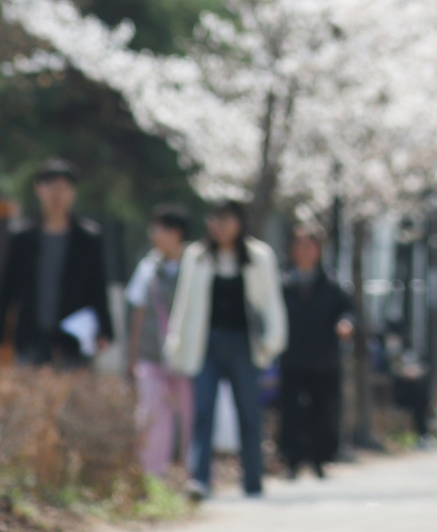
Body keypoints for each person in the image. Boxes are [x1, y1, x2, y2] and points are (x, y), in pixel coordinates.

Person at [165, 199, 288, 500]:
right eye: (214, 219)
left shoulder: (258, 256)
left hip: (244, 345)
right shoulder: (197, 255)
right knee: (202, 412)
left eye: (226, 220)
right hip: (205, 345)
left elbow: (270, 301)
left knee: (249, 412)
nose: (219, 226)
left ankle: (253, 479)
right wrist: (176, 344)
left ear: (239, 222)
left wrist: (274, 338)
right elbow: (184, 303)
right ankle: (200, 480)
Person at [0, 158, 113, 367]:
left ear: (74, 192)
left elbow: (98, 288)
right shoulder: (22, 237)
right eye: (52, 187)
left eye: (64, 188)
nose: (58, 195)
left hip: (73, 337)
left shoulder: (88, 238)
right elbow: (5, 289)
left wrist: (105, 330)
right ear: (39, 189)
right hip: (30, 335)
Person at [280, 223, 354, 477]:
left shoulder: (332, 285)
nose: (304, 250)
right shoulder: (283, 283)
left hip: (324, 359)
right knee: (291, 410)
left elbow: (347, 311)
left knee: (323, 411)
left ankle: (320, 459)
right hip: (291, 357)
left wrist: (345, 324)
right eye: (299, 244)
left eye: (310, 244)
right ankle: (291, 459)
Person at [127, 205, 194, 480]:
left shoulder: (196, 265)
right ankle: (153, 475)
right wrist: (132, 356)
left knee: (193, 417)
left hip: (189, 357)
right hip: (152, 355)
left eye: (159, 228)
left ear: (175, 232)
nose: (153, 234)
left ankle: (195, 474)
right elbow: (138, 313)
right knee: (154, 416)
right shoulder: (148, 267)